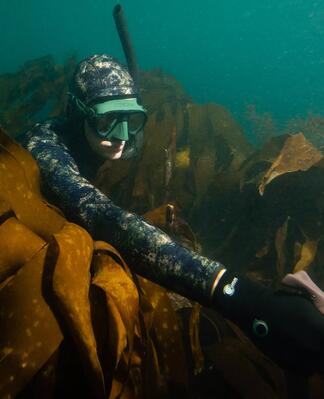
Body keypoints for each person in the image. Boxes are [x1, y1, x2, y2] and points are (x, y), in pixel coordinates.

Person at [18, 54, 324, 374]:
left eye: (132, 120)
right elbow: (106, 218)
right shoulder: (45, 149)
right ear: (78, 113)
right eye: (107, 121)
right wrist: (239, 296)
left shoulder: (116, 141)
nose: (123, 135)